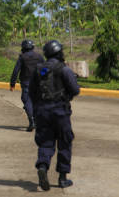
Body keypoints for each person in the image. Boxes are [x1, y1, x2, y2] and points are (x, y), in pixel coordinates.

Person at [29, 40, 80, 191]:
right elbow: (75, 90)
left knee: (45, 142)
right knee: (64, 142)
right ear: (58, 53)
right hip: (60, 112)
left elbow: (31, 92)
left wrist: (39, 107)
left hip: (42, 112)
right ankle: (62, 178)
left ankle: (43, 167)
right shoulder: (63, 69)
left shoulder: (38, 69)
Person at [10, 40, 44, 132]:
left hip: (26, 82)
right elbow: (45, 68)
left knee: (27, 100)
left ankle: (32, 121)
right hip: (38, 82)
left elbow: (16, 71)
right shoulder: (39, 56)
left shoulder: (22, 57)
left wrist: (12, 84)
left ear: (23, 48)